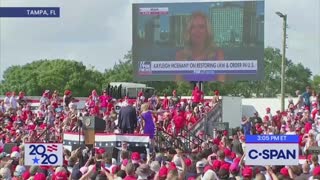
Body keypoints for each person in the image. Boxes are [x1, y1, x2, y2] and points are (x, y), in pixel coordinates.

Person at [175, 11, 224, 82]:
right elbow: (178, 86)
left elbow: (221, 84)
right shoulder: (180, 55)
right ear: (189, 31)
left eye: (201, 27)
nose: (197, 31)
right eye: (193, 27)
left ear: (207, 31)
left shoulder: (218, 54)